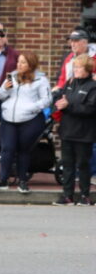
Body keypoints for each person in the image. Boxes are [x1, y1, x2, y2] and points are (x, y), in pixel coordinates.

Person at [0, 52, 52, 193]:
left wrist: (31, 108)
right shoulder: (11, 76)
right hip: (8, 119)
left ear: (31, 64)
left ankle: (22, 180)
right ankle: (3, 180)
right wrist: (4, 88)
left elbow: (47, 100)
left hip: (30, 120)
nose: (19, 65)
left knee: (23, 150)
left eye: (23, 62)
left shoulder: (41, 80)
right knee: (7, 148)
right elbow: (0, 96)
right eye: (18, 62)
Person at [53, 54, 96, 206]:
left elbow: (90, 109)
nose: (75, 70)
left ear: (87, 69)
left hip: (84, 133)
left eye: (79, 67)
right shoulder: (70, 83)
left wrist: (68, 106)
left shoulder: (93, 86)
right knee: (67, 165)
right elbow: (62, 100)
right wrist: (58, 103)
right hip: (67, 131)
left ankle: (85, 196)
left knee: (83, 165)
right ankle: (67, 196)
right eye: (75, 67)